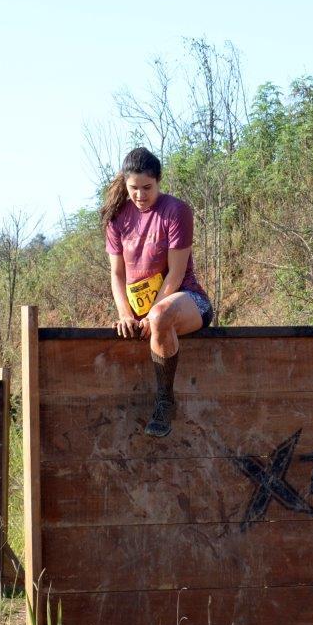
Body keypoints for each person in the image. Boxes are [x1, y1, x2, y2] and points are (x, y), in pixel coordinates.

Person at [102, 147, 214, 438]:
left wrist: (153, 314)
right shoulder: (116, 218)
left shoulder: (176, 211)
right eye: (134, 189)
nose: (140, 195)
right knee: (141, 322)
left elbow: (176, 274)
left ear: (159, 181)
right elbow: (117, 274)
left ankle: (165, 401)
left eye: (147, 188)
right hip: (142, 314)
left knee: (161, 315)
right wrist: (125, 314)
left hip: (187, 301)